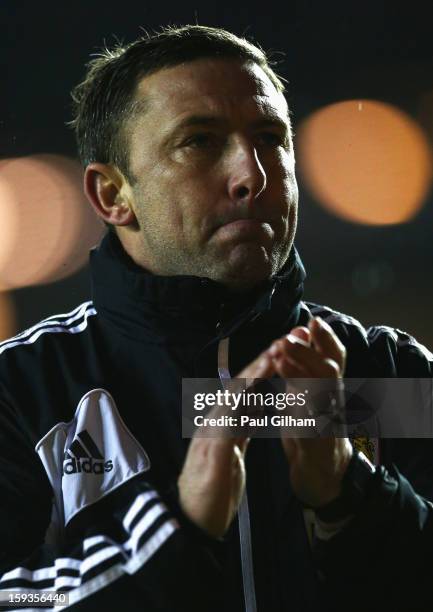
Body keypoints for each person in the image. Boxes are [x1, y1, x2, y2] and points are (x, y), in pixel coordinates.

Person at [0, 25, 431, 612]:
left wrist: (350, 497)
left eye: (270, 138)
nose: (251, 174)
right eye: (199, 141)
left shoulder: (393, 373)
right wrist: (179, 528)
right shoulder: (23, 389)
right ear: (112, 195)